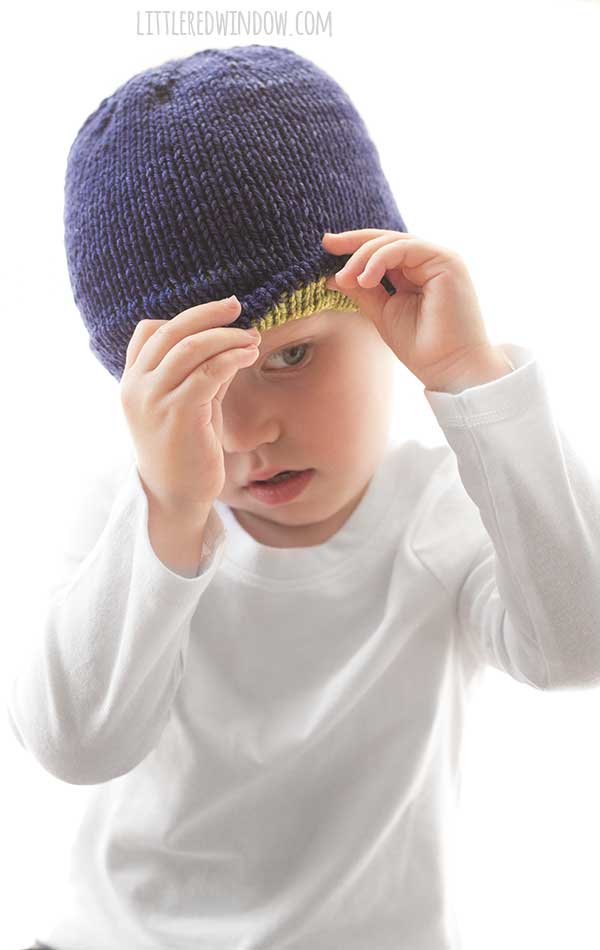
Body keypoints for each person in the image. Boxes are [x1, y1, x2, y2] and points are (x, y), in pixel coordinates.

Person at [8, 43, 600, 950]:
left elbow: (578, 647)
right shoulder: (130, 510)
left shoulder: (445, 512)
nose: (245, 433)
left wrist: (471, 380)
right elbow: (77, 745)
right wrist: (168, 512)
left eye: (291, 355)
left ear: (385, 308)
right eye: (195, 387)